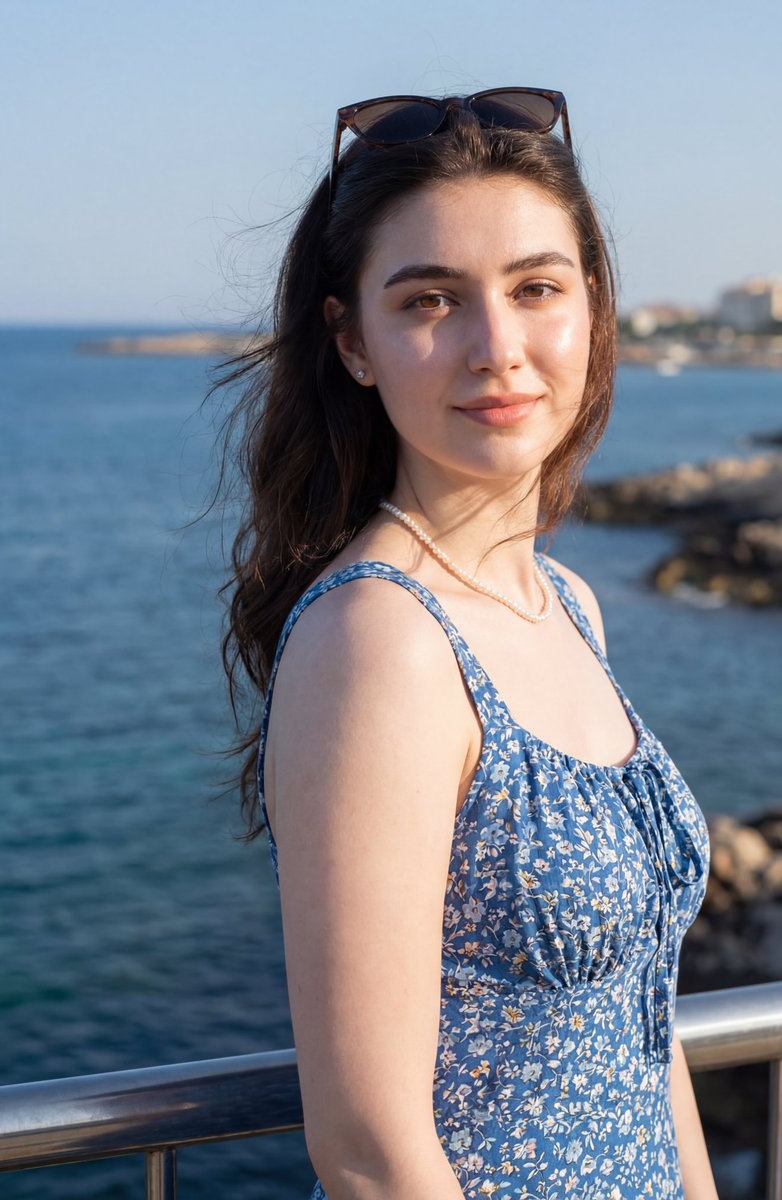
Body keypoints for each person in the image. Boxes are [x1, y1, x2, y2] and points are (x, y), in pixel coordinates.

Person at [218, 87, 718, 1200]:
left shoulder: (568, 605)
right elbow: (368, 1151)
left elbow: (644, 1027)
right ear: (353, 342)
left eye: (536, 287)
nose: (499, 348)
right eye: (431, 301)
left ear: (591, 307)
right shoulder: (380, 640)